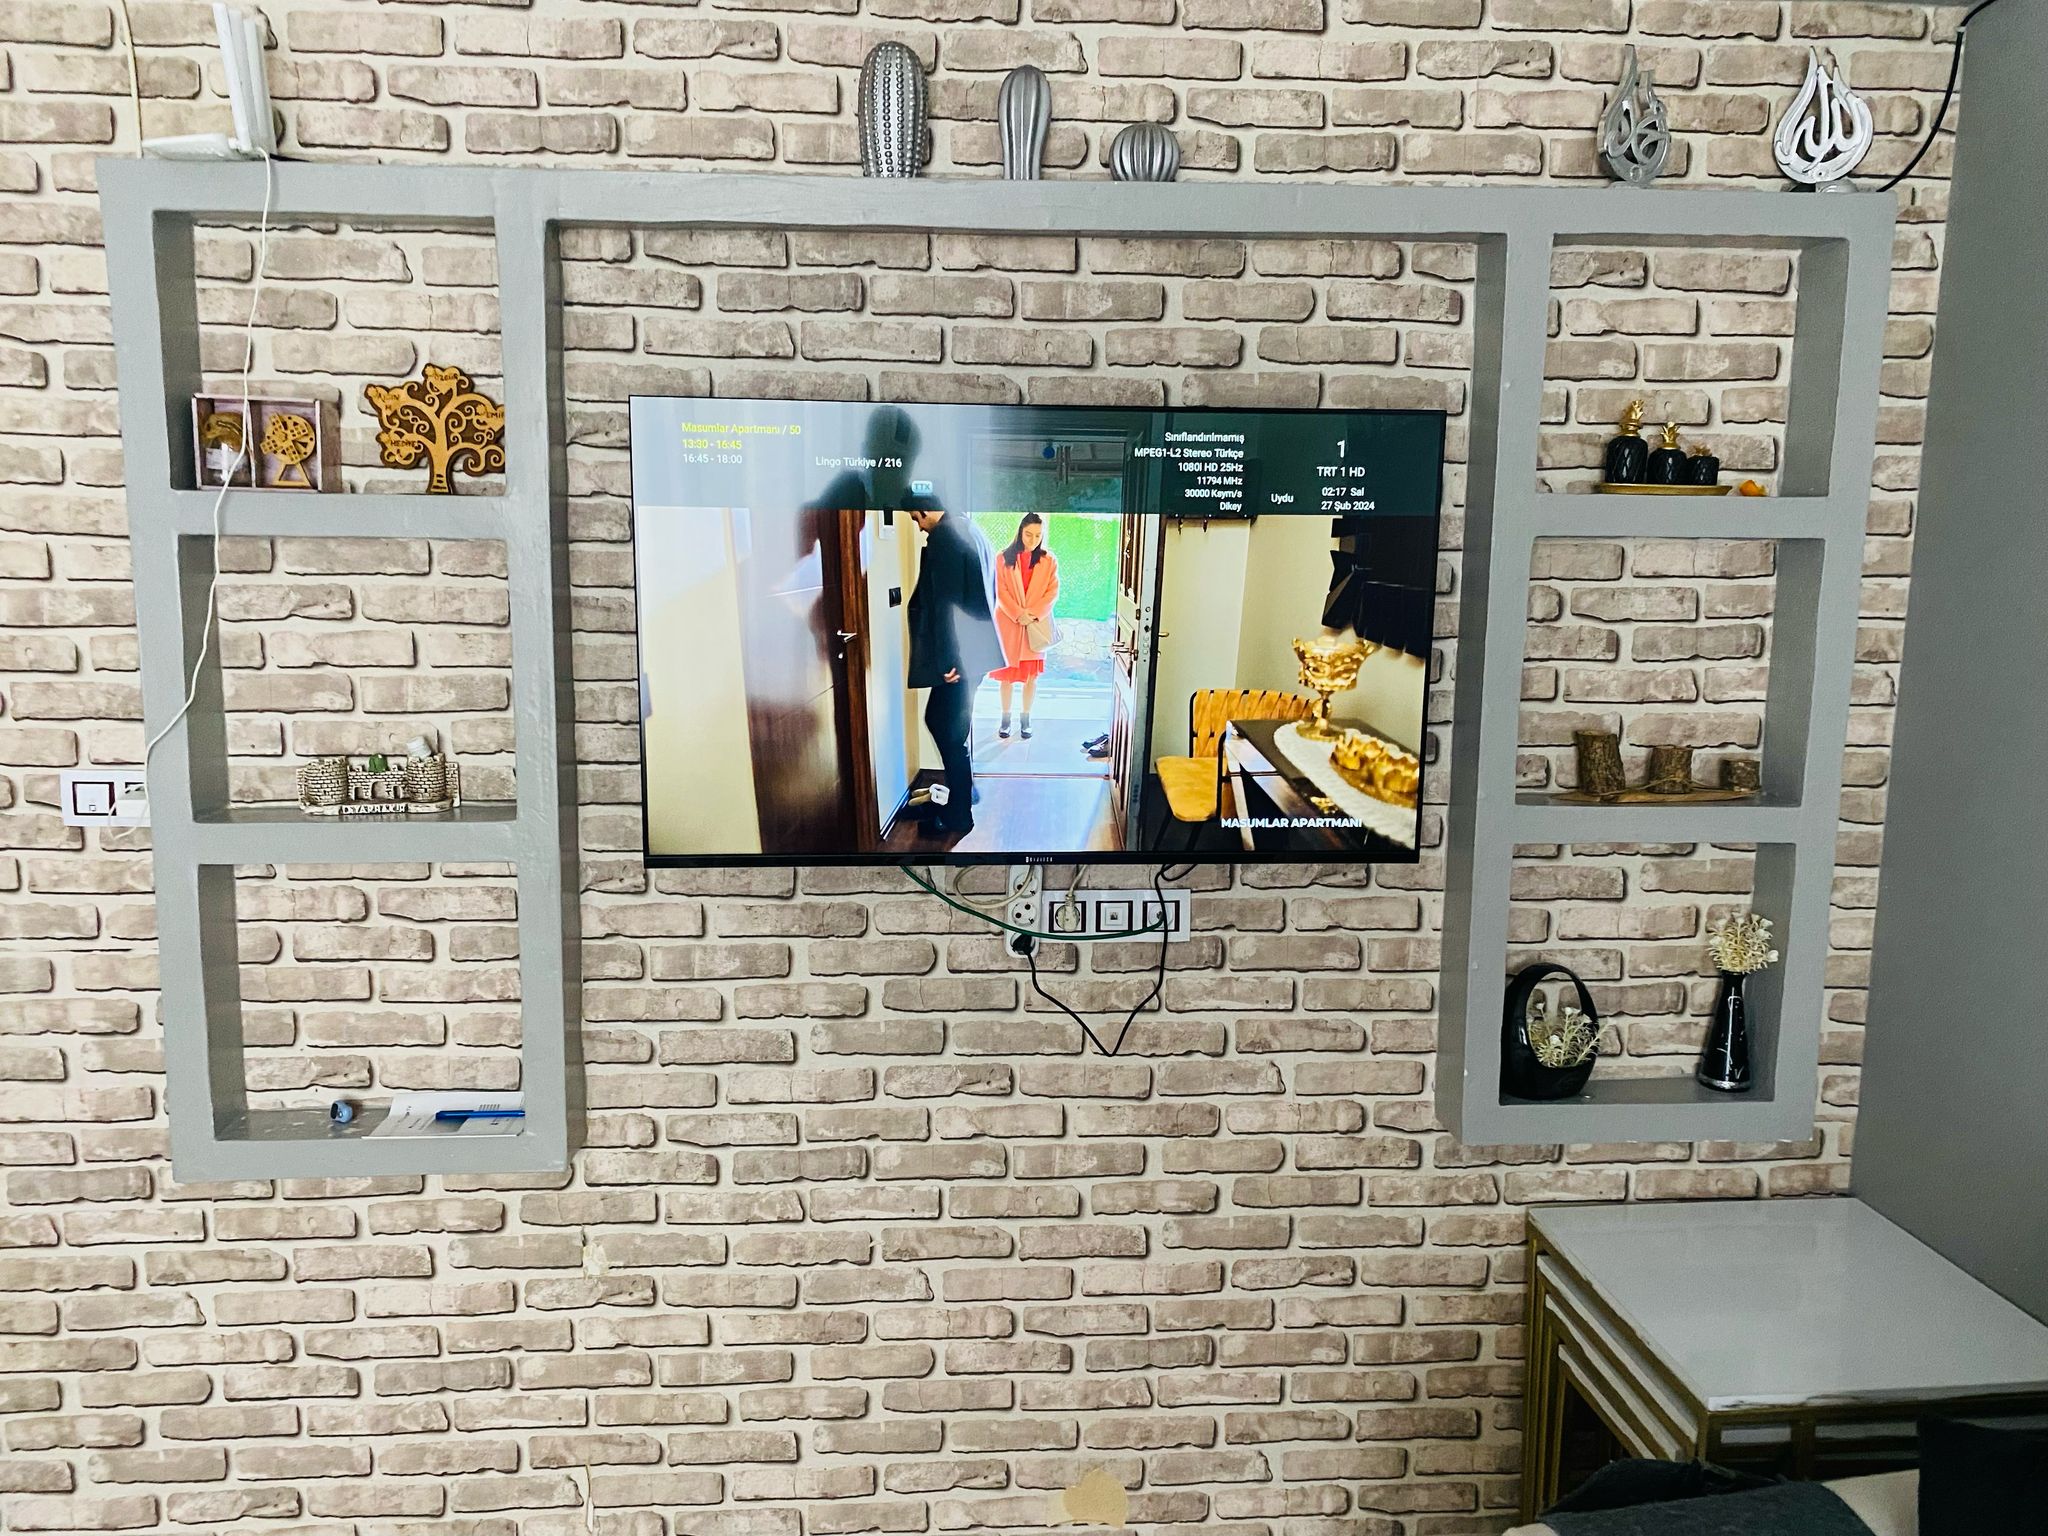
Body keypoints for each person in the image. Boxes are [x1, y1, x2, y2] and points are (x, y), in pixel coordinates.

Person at [904, 495, 1004, 835]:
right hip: (974, 652)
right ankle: (966, 792)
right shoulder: (972, 529)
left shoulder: (946, 536)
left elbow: (946, 604)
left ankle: (959, 814)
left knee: (947, 729)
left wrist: (950, 659)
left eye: (916, 518)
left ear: (926, 509)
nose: (918, 526)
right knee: (949, 726)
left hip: (960, 658)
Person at [990, 512, 1060, 741]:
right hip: (1008, 624)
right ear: (1020, 532)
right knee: (1007, 676)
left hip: (1035, 626)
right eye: (1029, 534)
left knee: (1031, 677)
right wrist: (1018, 614)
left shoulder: (1049, 560)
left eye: (1038, 535)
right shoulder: (1002, 558)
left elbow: (1052, 592)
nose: (1033, 540)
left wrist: (1033, 614)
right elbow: (1000, 591)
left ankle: (1026, 718)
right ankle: (1005, 718)